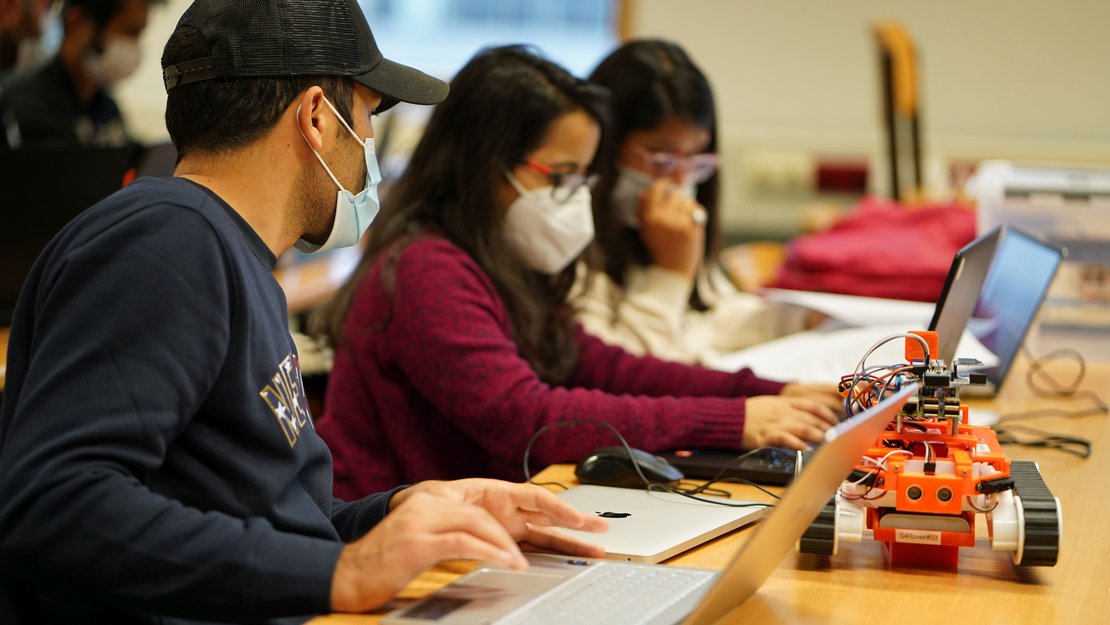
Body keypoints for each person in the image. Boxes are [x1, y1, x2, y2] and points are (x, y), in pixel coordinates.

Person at [0, 2, 608, 624]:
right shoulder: (168, 240)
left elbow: (262, 518)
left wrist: (397, 512)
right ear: (317, 116)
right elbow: (55, 507)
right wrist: (344, 573)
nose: (369, 145)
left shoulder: (229, 252)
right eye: (369, 114)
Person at [313, 45, 840, 501]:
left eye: (583, 180)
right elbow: (526, 419)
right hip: (388, 539)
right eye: (561, 177)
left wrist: (767, 393)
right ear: (485, 163)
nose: (576, 200)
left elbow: (602, 366)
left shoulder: (498, 263)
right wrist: (736, 419)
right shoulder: (424, 269)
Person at [576, 39, 819, 365]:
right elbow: (622, 370)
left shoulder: (665, 230)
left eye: (694, 159)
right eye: (661, 159)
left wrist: (799, 320)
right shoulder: (571, 240)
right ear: (604, 145)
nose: (679, 180)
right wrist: (670, 271)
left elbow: (707, 317)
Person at [1, 0, 155, 147]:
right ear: (76, 22)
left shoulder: (107, 107)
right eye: (129, 31)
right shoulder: (21, 103)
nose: (134, 47)